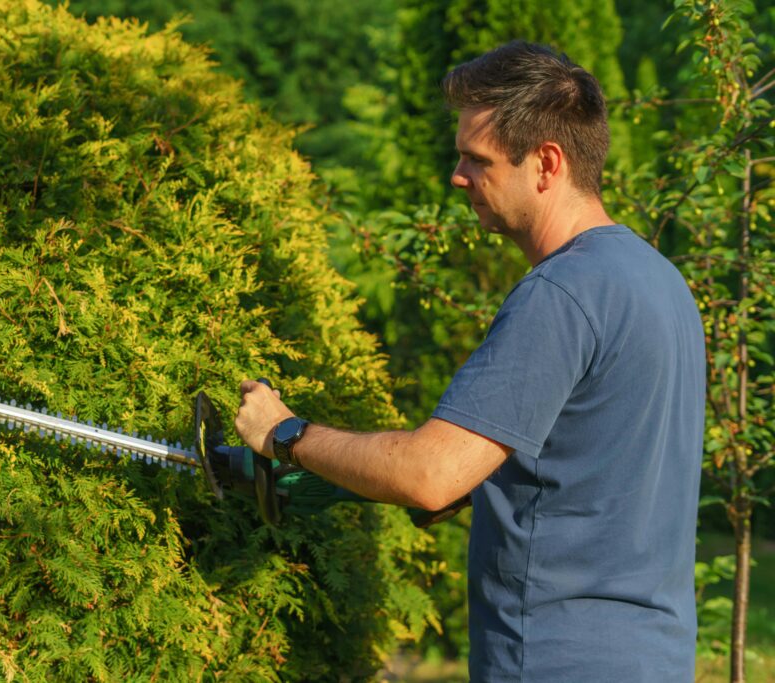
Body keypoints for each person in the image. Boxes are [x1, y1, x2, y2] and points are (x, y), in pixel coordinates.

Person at [235, 41, 705, 682]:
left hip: (554, 659)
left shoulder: (560, 296)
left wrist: (287, 436)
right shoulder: (658, 281)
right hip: (653, 657)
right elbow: (592, 464)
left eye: (476, 159)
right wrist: (341, 476)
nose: (458, 175)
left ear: (546, 163)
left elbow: (432, 474)